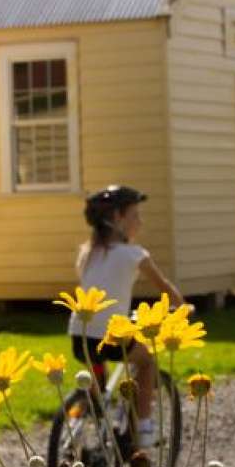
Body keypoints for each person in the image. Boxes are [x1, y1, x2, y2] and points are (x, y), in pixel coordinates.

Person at [69, 184, 184, 450]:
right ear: (118, 219)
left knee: (98, 386)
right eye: (135, 216)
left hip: (80, 331)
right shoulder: (134, 254)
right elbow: (164, 286)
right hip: (112, 334)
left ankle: (78, 424)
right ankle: (144, 426)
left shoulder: (87, 253)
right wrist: (182, 308)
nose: (139, 222)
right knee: (147, 362)